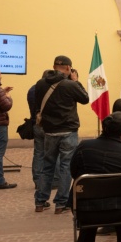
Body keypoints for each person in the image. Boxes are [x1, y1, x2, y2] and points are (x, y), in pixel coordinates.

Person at [70, 112, 121, 242]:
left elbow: (74, 172)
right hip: (119, 211)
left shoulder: (84, 147)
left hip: (84, 211)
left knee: (90, 199)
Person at [33, 56, 90, 213]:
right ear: (68, 68)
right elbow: (85, 98)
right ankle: (60, 203)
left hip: (49, 131)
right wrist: (76, 80)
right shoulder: (69, 85)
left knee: (47, 165)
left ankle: (40, 201)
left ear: (53, 66)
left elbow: (37, 104)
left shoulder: (40, 83)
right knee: (65, 167)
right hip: (68, 131)